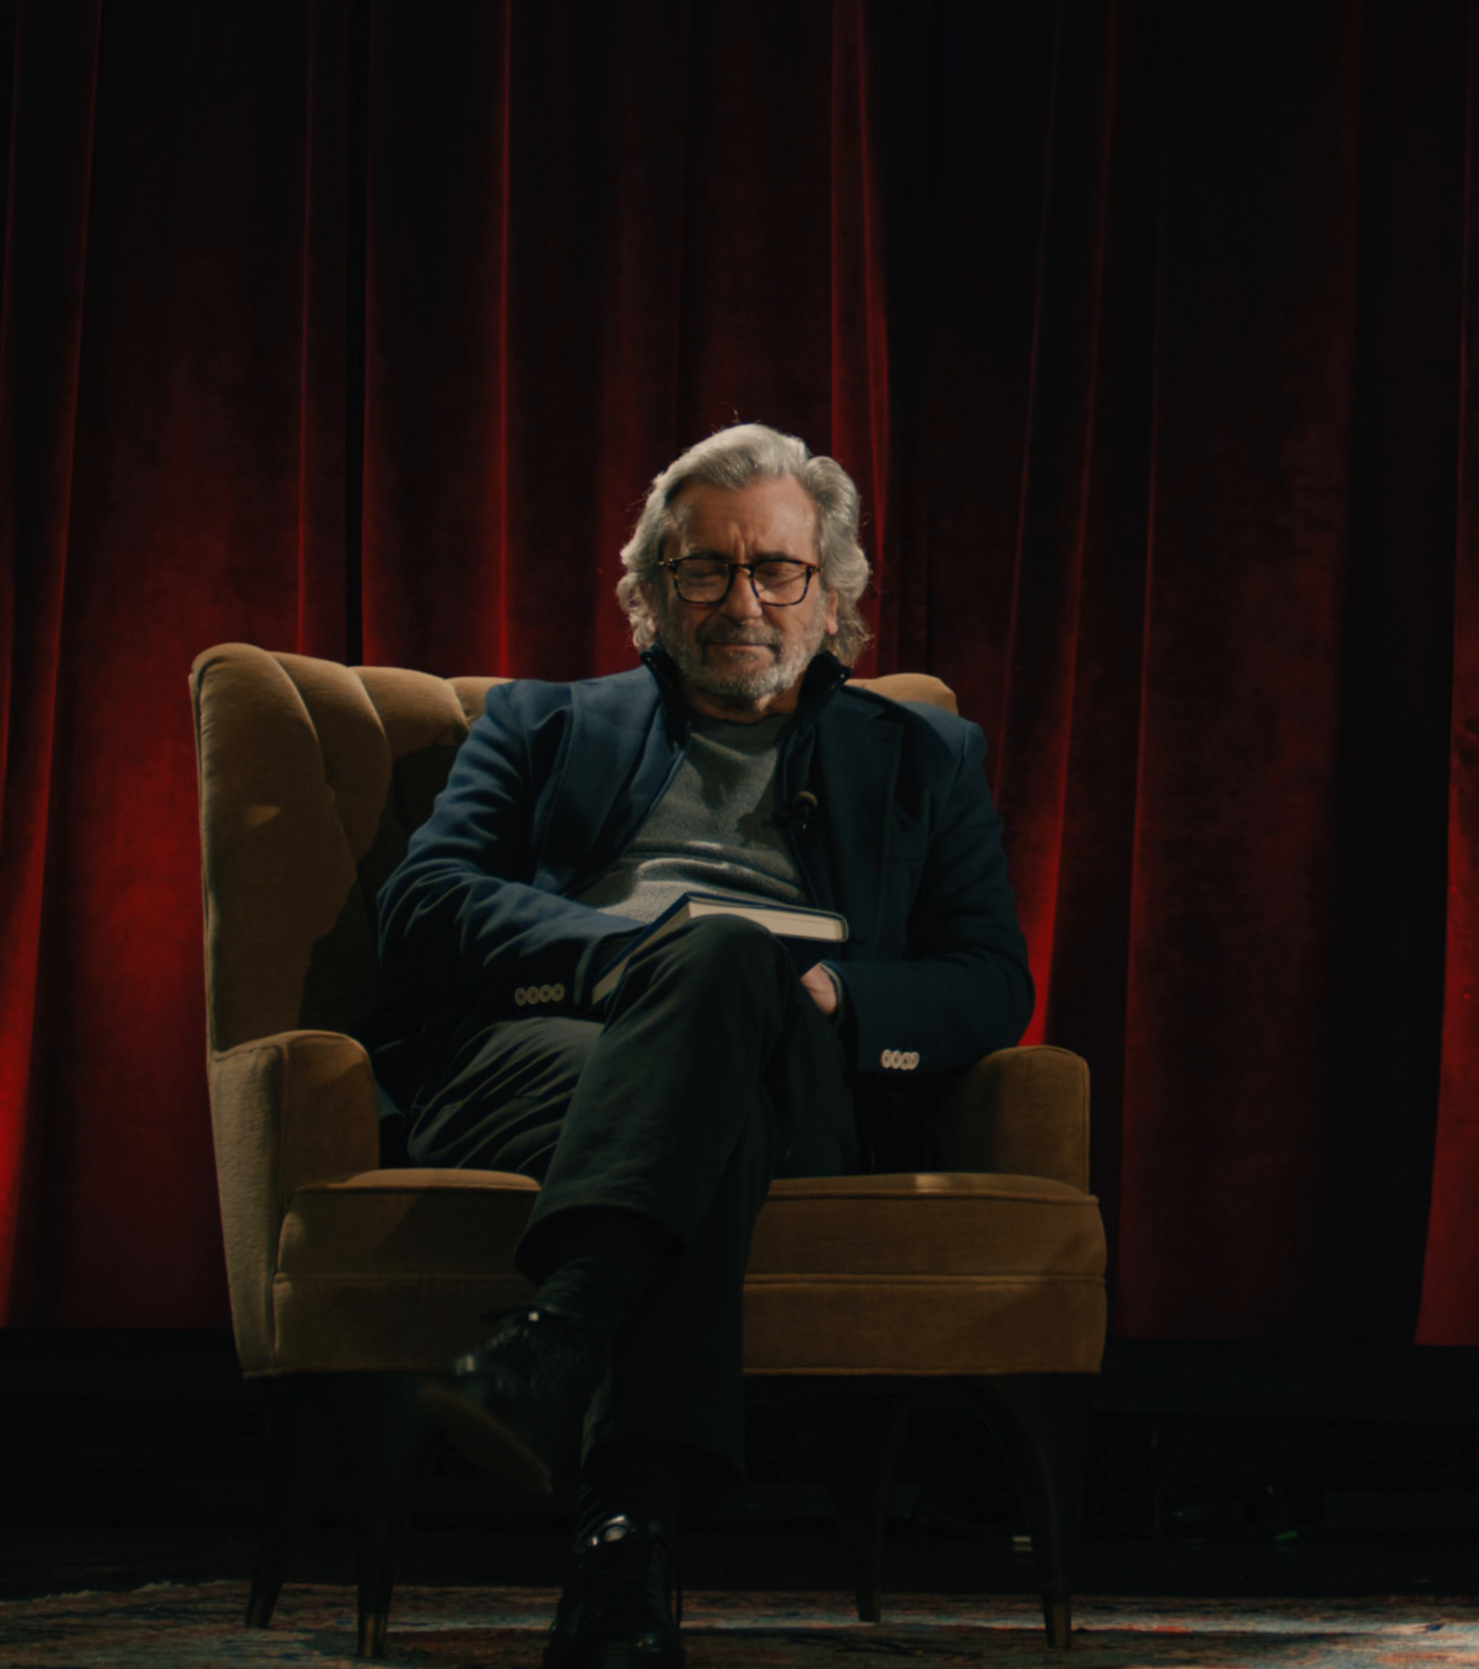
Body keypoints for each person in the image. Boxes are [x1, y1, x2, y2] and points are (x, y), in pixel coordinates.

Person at [368, 424, 1032, 1669]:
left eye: (775, 569)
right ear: (652, 591)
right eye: (706, 569)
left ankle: (564, 1338)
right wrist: (633, 961)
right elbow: (423, 907)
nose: (742, 602)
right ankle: (627, 1534)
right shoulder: (543, 725)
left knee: (732, 986)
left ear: (832, 593)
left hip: (800, 1072)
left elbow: (991, 982)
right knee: (716, 984)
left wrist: (831, 994)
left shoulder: (923, 760)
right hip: (543, 1058)